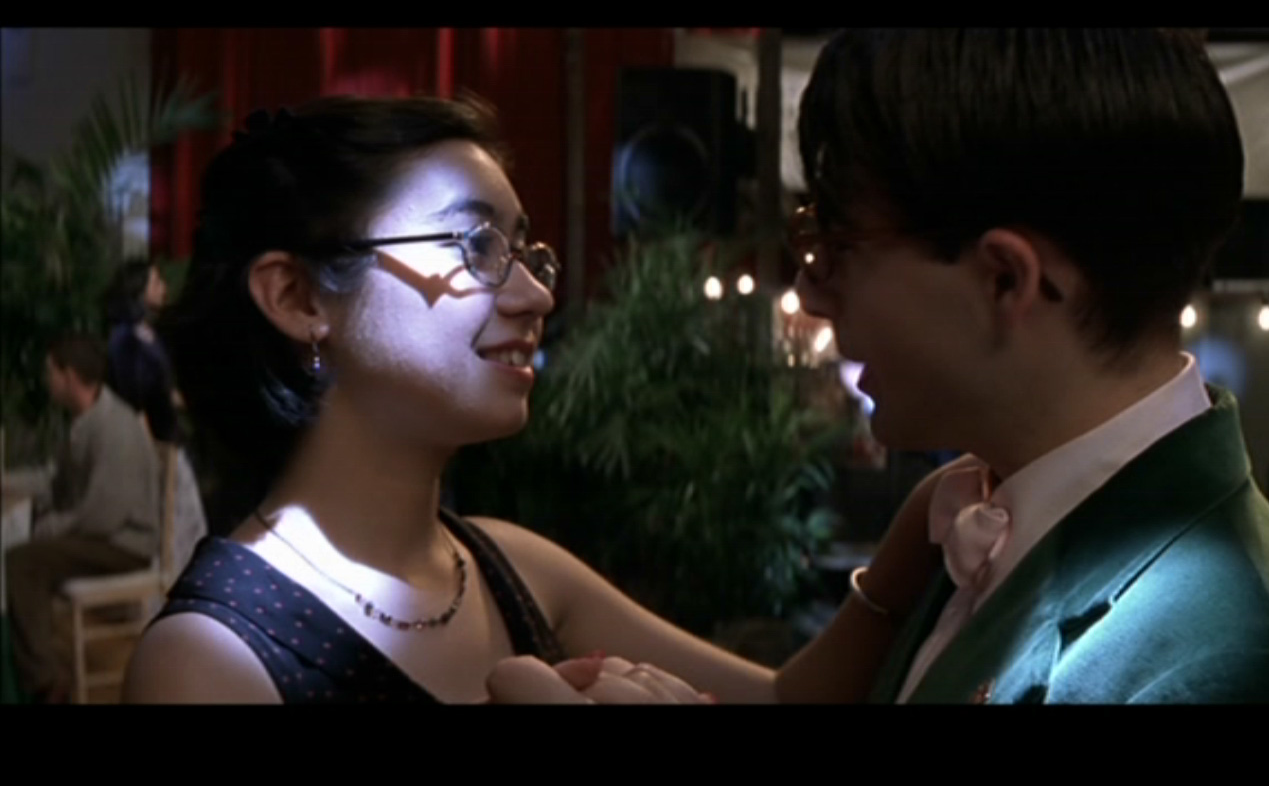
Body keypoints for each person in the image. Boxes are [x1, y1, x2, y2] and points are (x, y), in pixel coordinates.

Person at [122, 97, 942, 704]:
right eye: (475, 246)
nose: (535, 295)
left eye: (526, 253)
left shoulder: (508, 566)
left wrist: (919, 528)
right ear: (298, 296)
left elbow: (788, 699)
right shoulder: (209, 658)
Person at [733, 28, 1269, 703]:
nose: (810, 292)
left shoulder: (1235, 665)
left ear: (1005, 280)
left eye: (836, 247)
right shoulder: (996, 513)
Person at [5, 334, 161, 703]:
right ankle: (41, 668)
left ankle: (46, 684)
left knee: (23, 562)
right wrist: (8, 482)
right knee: (23, 551)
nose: (47, 379)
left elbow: (103, 516)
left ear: (70, 376)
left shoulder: (114, 427)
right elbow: (54, 479)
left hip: (124, 544)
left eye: (51, 372)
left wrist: (50, 528)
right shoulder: (84, 420)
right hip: (102, 534)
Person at [102, 259, 181, 445]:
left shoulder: (150, 334)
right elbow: (132, 400)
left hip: (165, 434)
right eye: (156, 283)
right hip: (140, 439)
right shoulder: (125, 338)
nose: (163, 288)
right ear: (140, 291)